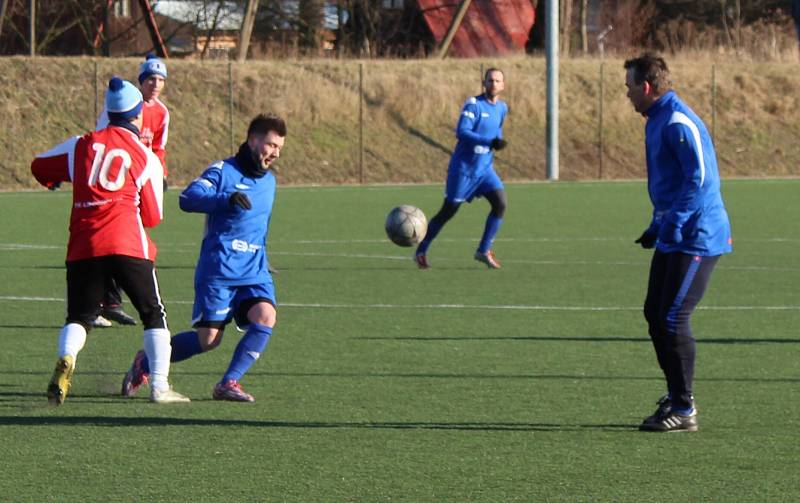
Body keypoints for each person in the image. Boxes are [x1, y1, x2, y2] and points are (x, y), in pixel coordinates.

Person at [31, 77, 189, 405]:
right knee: (152, 313)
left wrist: (54, 179)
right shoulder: (146, 157)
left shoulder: (81, 145)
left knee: (79, 317)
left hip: (84, 245)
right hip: (128, 243)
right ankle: (160, 386)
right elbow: (153, 216)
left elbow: (39, 166)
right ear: (136, 115)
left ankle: (67, 358)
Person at [121, 113, 286, 402]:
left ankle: (228, 383)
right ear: (252, 140)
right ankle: (144, 362)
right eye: (270, 145)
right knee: (208, 340)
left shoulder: (269, 183)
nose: (274, 153)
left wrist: (263, 256)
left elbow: (259, 225)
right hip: (219, 270)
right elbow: (188, 198)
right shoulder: (223, 171)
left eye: (279, 149)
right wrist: (225, 199)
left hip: (254, 270)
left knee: (266, 316)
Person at [624, 54, 732, 432]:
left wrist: (674, 223)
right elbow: (669, 184)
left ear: (647, 87)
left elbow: (699, 179)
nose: (627, 93)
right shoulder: (656, 120)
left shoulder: (676, 119)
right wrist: (658, 224)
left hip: (699, 235)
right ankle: (675, 395)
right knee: (654, 314)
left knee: (673, 317)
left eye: (630, 86)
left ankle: (684, 409)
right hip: (675, 232)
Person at [93, 53, 170, 328]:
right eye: (151, 78)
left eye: (161, 79)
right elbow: (104, 140)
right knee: (114, 238)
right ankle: (104, 302)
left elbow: (159, 147)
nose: (156, 84)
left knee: (126, 237)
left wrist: (160, 173)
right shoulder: (123, 106)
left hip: (142, 179)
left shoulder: (162, 112)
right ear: (141, 80)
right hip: (118, 181)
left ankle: (109, 301)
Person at [414, 68, 508, 270]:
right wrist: (489, 141)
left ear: (503, 85)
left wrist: (496, 142)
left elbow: (496, 133)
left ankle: (483, 250)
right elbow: (462, 131)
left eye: (497, 81)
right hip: (463, 170)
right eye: (490, 80)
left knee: (500, 203)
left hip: (484, 171)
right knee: (448, 212)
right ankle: (421, 249)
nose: (493, 84)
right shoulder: (474, 105)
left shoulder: (502, 108)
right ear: (484, 83)